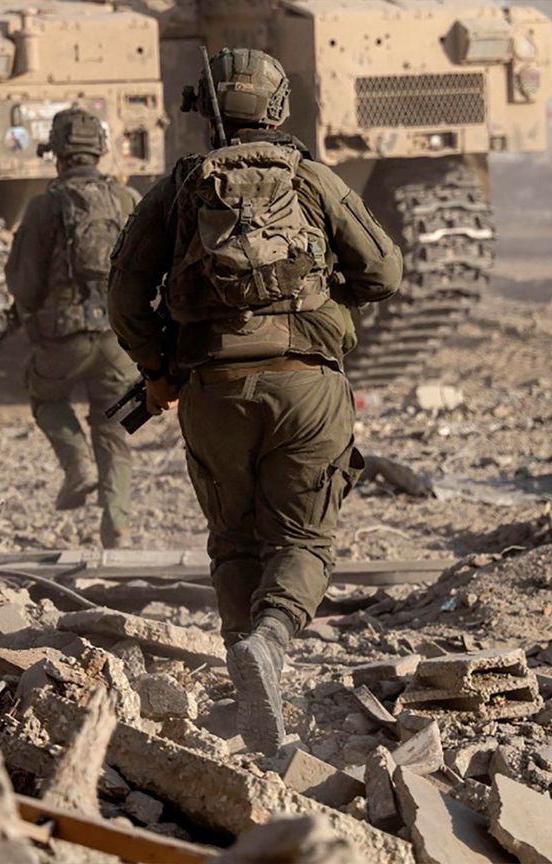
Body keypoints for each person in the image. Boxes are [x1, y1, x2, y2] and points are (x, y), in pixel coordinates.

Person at [107, 48, 403, 753]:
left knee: (235, 541)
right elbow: (385, 273)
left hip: (212, 392)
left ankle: (246, 664)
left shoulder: (182, 187)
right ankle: (269, 643)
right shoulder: (313, 179)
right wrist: (324, 289)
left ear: (207, 110)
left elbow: (123, 295)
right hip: (308, 390)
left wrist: (156, 369)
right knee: (303, 540)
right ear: (277, 108)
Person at [7, 107, 141, 549]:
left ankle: (77, 464)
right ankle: (118, 525)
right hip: (120, 340)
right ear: (99, 150)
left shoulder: (43, 206)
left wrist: (31, 316)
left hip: (64, 338)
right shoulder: (127, 200)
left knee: (44, 396)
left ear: (58, 155)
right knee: (116, 426)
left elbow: (24, 283)